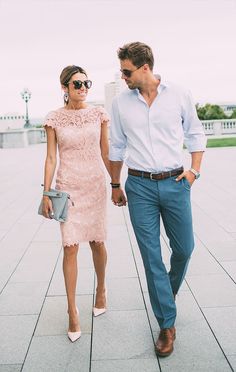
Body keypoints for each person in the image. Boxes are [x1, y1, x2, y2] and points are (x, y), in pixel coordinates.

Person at [109, 42, 206, 357]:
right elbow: (117, 145)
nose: (123, 76)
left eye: (127, 71)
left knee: (184, 248)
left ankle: (165, 294)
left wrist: (194, 171)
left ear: (145, 67)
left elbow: (195, 133)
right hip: (139, 187)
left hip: (176, 182)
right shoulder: (122, 103)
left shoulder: (178, 93)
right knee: (151, 258)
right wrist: (114, 184)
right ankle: (166, 323)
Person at [42, 65, 110, 342]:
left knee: (97, 242)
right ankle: (72, 311)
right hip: (68, 187)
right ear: (65, 88)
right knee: (69, 248)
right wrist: (47, 192)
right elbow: (50, 158)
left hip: (95, 185)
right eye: (77, 84)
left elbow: (106, 151)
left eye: (86, 83)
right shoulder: (53, 119)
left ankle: (101, 289)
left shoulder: (99, 114)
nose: (83, 88)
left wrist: (116, 183)